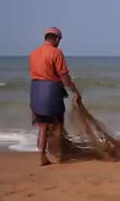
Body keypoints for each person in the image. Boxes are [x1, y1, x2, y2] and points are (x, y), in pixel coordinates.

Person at [29, 27, 81, 166]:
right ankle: (59, 155)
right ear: (57, 39)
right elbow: (64, 77)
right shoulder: (56, 52)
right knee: (58, 123)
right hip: (51, 91)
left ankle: (42, 157)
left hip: (35, 91)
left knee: (43, 126)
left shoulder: (33, 53)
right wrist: (75, 90)